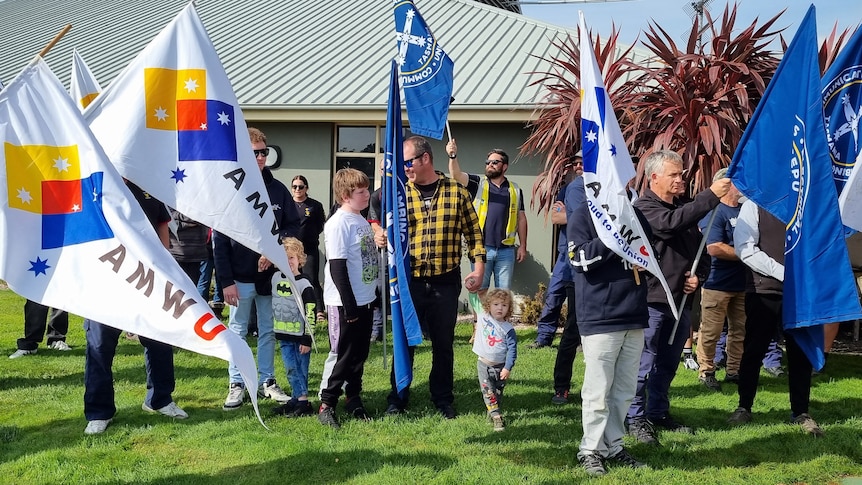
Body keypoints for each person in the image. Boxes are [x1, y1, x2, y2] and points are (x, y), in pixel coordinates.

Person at [626, 150, 730, 445]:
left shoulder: (685, 206)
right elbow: (670, 225)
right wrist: (711, 195)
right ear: (653, 177)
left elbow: (701, 250)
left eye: (681, 173)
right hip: (652, 301)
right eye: (673, 174)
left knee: (668, 364)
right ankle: (634, 417)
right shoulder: (644, 207)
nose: (680, 179)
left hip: (681, 302)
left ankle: (658, 412)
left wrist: (700, 278)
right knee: (643, 364)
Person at [385, 136, 485, 419]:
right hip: (410, 283)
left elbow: (473, 234)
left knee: (443, 343)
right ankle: (398, 396)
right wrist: (380, 233)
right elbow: (385, 226)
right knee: (405, 342)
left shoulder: (457, 192)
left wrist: (478, 269)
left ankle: (442, 398)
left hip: (445, 281)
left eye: (408, 162)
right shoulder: (400, 194)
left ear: (425, 159)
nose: (405, 168)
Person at [83, 181, 187, 435]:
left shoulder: (146, 185)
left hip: (148, 281)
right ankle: (99, 412)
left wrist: (164, 262)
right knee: (99, 346)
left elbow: (162, 223)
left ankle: (160, 399)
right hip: (107, 282)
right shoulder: (98, 187)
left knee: (160, 341)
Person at [567, 176, 650, 477]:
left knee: (625, 389)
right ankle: (589, 449)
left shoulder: (636, 214)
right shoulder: (585, 214)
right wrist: (614, 238)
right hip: (601, 315)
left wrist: (645, 261)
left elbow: (649, 253)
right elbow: (578, 260)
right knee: (598, 390)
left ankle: (612, 445)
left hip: (634, 313)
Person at [215, 127, 300, 411]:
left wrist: (273, 252)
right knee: (237, 330)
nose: (261, 158)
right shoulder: (231, 189)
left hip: (269, 277)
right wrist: (225, 281)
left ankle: (267, 381)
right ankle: (237, 383)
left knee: (268, 330)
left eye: (265, 152)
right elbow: (220, 239)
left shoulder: (277, 189)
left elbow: (292, 226)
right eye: (255, 153)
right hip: (238, 277)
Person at [727, 200, 823, 436]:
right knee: (754, 350)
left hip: (801, 292)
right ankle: (744, 406)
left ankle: (801, 412)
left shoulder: (803, 202)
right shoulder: (754, 204)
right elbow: (745, 249)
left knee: (800, 352)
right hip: (764, 290)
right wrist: (785, 273)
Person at [317, 168, 380, 429]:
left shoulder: (360, 219)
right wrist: (350, 305)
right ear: (345, 195)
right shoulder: (338, 223)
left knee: (360, 354)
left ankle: (353, 396)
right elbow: (338, 267)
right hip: (345, 303)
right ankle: (326, 403)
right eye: (361, 192)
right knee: (343, 355)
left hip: (365, 299)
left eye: (366, 189)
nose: (367, 195)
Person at [447, 139, 526, 293]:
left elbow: (521, 219)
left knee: (503, 293)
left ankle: (498, 319)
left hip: (506, 250)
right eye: (488, 162)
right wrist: (452, 155)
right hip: (481, 249)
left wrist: (523, 245)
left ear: (504, 167)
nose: (490, 164)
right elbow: (456, 174)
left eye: (495, 162)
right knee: (479, 289)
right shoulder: (478, 183)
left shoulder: (515, 189)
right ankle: (481, 318)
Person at [695, 169, 746, 391]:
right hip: (717, 283)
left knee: (740, 330)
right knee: (711, 332)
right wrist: (747, 254)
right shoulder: (715, 213)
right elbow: (714, 247)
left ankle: (734, 371)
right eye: (738, 183)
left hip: (743, 283)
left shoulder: (746, 211)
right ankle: (706, 371)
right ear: (727, 186)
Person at [530, 154, 583, 349]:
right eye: (575, 164)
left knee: (579, 300)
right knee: (554, 296)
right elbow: (556, 217)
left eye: (582, 163)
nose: (578, 166)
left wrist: (569, 215)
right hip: (564, 252)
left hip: (583, 252)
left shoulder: (597, 191)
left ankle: (577, 339)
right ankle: (543, 338)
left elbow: (592, 218)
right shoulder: (567, 189)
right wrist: (576, 215)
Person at [271, 237, 317, 418]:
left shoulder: (304, 284)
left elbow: (311, 311)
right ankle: (296, 398)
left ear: (300, 259)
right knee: (290, 368)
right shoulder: (275, 278)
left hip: (300, 337)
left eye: (292, 258)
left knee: (299, 368)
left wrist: (307, 337)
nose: (288, 262)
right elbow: (261, 289)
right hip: (283, 335)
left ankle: (303, 401)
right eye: (284, 258)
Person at [470, 289, 517, 432]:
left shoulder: (508, 329)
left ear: (509, 309)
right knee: (488, 392)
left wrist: (507, 367)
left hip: (500, 367)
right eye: (496, 304)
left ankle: (492, 411)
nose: (499, 308)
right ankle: (497, 417)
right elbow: (474, 297)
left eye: (504, 305)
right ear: (488, 306)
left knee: (496, 393)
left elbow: (512, 350)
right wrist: (473, 285)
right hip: (484, 365)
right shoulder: (484, 317)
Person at [291, 175, 326, 323]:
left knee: (311, 279)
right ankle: (296, 308)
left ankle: (318, 310)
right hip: (291, 250)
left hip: (309, 249)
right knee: (292, 279)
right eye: (295, 187)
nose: (297, 189)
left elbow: (320, 225)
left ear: (306, 188)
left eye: (301, 186)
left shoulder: (314, 205)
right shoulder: (287, 204)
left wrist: (310, 236)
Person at [168, 209, 208, 285]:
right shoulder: (169, 199)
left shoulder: (200, 198)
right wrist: (187, 223)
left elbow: (203, 216)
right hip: (175, 254)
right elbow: (167, 219)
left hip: (196, 255)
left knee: (192, 291)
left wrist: (178, 219)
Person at [197, 227, 224, 318]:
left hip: (220, 252)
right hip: (206, 251)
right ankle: (201, 309)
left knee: (220, 280)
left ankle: (217, 309)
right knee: (204, 279)